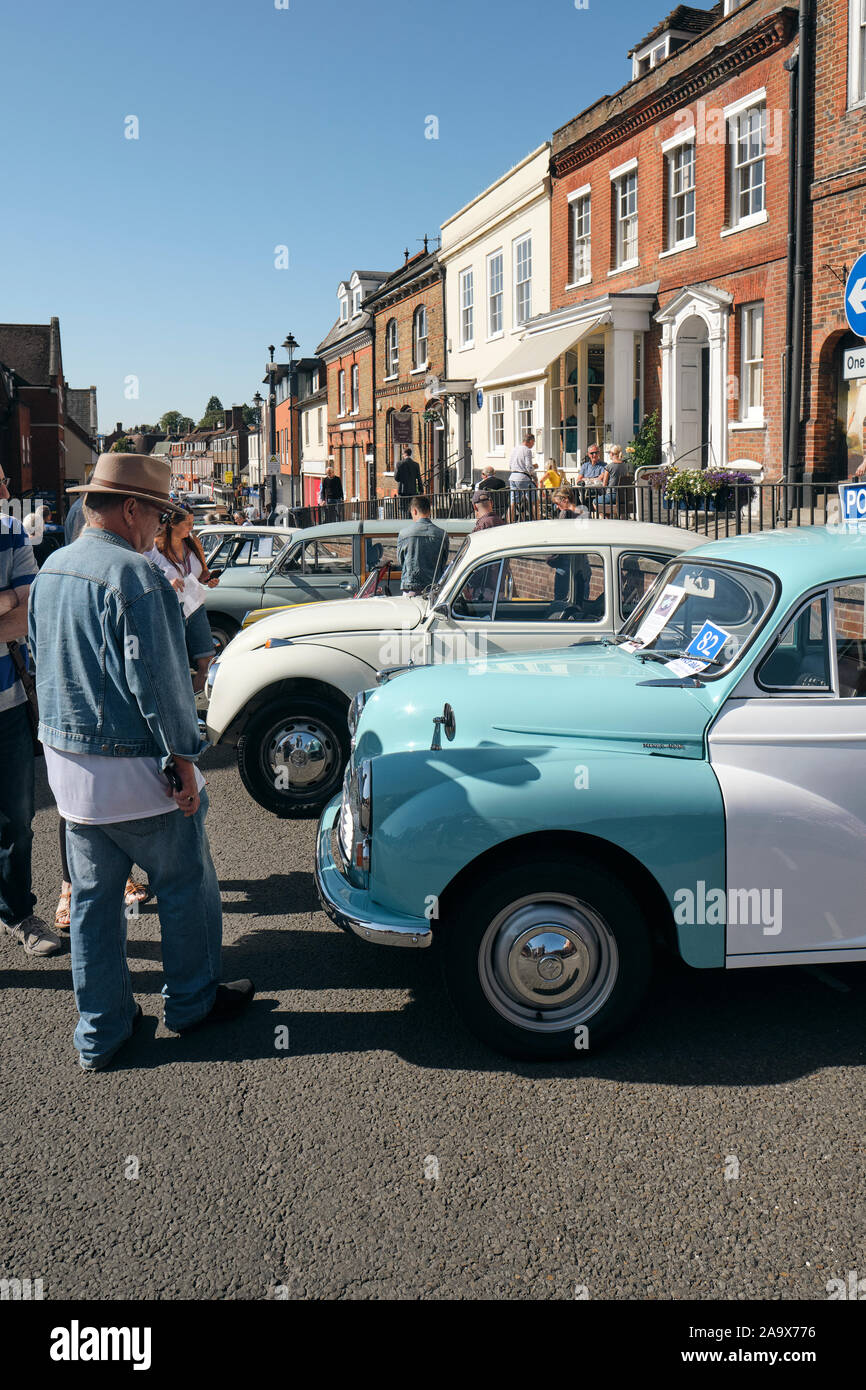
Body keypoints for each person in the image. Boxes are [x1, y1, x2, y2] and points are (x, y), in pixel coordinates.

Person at [29, 453, 254, 1071]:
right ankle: (190, 1002)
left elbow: (39, 661)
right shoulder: (136, 576)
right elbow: (157, 682)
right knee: (184, 883)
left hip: (68, 769)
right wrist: (183, 756)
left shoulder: (52, 569)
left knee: (96, 903)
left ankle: (100, 1030)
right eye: (156, 512)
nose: (158, 526)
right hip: (133, 767)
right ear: (130, 507)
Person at [0, 468, 62, 956]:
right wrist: (6, 599)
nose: (5, 491)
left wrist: (15, 603)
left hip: (8, 708)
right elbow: (14, 608)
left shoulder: (11, 532)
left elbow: (31, 611)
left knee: (17, 822)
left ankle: (17, 913)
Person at [148, 506, 219, 693]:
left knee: (207, 661)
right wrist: (167, 582)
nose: (191, 526)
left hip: (195, 606)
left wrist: (209, 579)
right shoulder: (155, 547)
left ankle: (196, 704)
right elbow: (145, 574)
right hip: (171, 609)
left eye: (192, 521)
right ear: (172, 524)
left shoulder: (193, 543)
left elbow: (203, 572)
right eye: (187, 523)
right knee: (175, 665)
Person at [397, 495, 447, 595]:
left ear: (414, 511)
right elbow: (443, 562)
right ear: (429, 511)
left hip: (410, 587)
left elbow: (401, 561)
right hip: (434, 588)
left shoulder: (404, 534)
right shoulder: (442, 534)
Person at [507, 433, 537, 520]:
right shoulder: (527, 450)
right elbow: (529, 467)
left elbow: (510, 464)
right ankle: (538, 520)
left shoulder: (514, 449)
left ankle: (509, 522)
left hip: (512, 477)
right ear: (530, 441)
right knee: (534, 501)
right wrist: (534, 476)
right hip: (523, 478)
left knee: (513, 503)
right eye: (533, 442)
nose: (533, 444)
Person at [576, 445, 609, 513]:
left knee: (590, 493)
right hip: (585, 492)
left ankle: (586, 513)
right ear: (588, 454)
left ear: (599, 453)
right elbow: (578, 480)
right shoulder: (585, 466)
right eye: (592, 453)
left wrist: (586, 479)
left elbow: (600, 479)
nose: (594, 455)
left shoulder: (604, 465)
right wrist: (593, 479)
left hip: (597, 491)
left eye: (596, 453)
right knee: (574, 493)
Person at [394, 447, 423, 518]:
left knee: (403, 509)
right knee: (412, 509)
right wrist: (421, 490)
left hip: (402, 491)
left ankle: (405, 523)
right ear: (410, 454)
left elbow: (396, 478)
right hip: (412, 491)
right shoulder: (416, 464)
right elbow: (419, 478)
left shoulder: (399, 464)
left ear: (404, 454)